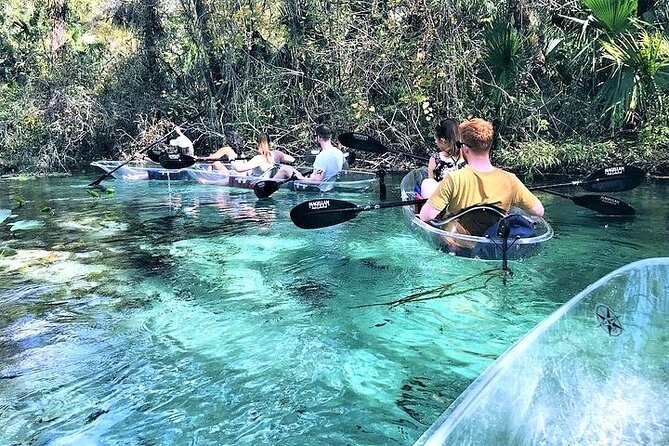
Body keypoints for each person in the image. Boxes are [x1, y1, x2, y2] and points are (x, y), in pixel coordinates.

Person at [419, 118, 544, 234]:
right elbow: (539, 211)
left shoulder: (453, 179)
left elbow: (426, 216)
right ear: (489, 145)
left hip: (459, 242)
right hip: (494, 240)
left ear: (465, 148)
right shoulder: (510, 179)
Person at [272, 124, 344, 190]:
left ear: (319, 137)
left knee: (285, 169)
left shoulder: (322, 156)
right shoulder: (339, 153)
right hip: (330, 188)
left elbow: (317, 181)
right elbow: (345, 168)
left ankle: (267, 187)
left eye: (315, 137)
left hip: (317, 190)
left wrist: (301, 178)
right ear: (330, 137)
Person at [420, 118, 467, 199]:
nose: (435, 142)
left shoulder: (435, 158)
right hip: (463, 203)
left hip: (441, 204)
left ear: (443, 140)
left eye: (436, 139)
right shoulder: (468, 156)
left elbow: (430, 184)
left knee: (427, 183)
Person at [230, 132, 295, 177]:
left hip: (260, 183)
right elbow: (292, 159)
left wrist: (231, 160)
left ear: (258, 145)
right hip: (273, 179)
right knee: (247, 172)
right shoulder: (277, 154)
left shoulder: (258, 158)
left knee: (236, 176)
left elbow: (238, 169)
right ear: (270, 144)